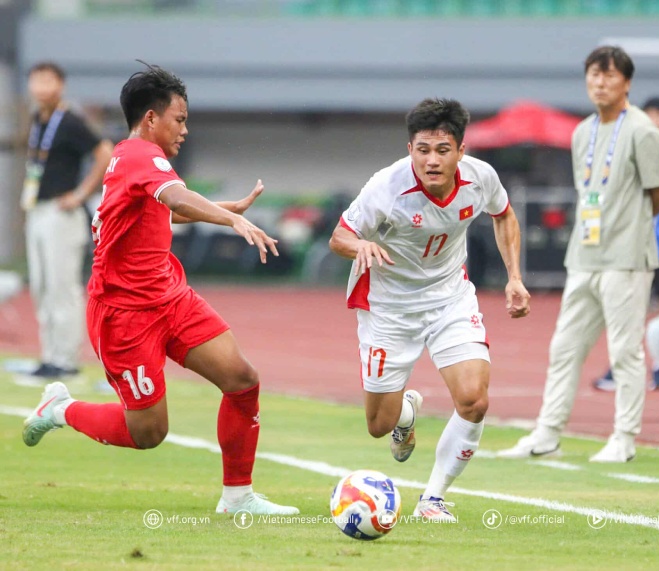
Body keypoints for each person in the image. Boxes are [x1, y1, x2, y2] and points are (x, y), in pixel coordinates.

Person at [22, 63, 298, 516]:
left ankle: (237, 497)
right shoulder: (137, 155)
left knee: (242, 380)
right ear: (151, 119)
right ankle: (61, 409)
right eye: (180, 118)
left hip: (169, 297)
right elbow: (174, 198)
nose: (185, 129)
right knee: (148, 432)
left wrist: (226, 207)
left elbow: (162, 213)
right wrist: (230, 219)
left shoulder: (141, 162)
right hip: (124, 314)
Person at [329, 98, 530, 521]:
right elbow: (339, 237)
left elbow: (504, 214)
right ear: (410, 149)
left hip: (448, 297)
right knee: (378, 425)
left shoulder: (481, 178)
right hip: (389, 308)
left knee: (474, 400)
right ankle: (405, 413)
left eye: (442, 150)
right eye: (423, 149)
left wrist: (514, 277)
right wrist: (359, 244)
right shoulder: (385, 187)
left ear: (460, 150)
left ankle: (433, 498)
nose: (432, 160)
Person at [497, 46, 659, 463]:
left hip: (627, 259)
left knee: (624, 352)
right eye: (594, 75)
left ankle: (624, 438)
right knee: (564, 348)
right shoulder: (581, 132)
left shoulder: (644, 131)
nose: (600, 83)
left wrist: (627, 223)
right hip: (584, 256)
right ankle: (547, 433)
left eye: (609, 76)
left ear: (626, 82)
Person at [593, 96, 659, 392]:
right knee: (629, 308)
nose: (654, 119)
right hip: (635, 243)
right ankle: (620, 368)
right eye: (649, 114)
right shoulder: (630, 155)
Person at [22, 62, 113, 379]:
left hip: (62, 214)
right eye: (35, 81)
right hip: (38, 209)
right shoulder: (38, 119)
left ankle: (67, 359)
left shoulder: (71, 120)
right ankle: (49, 356)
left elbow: (104, 151)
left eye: (47, 81)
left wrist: (81, 194)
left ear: (60, 85)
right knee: (42, 286)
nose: (40, 88)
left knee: (63, 287)